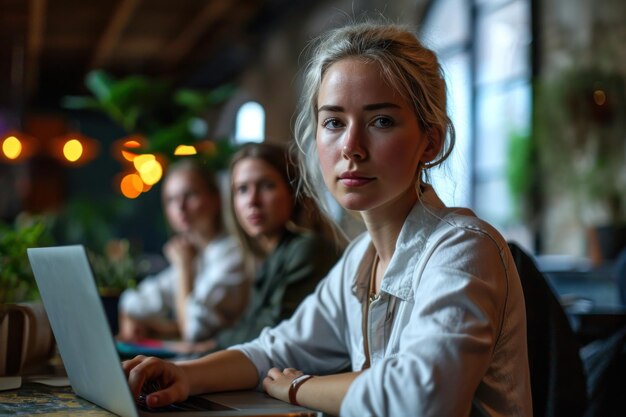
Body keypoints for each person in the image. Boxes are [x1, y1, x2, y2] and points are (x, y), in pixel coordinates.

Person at [123, 21, 532, 416]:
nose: (351, 147)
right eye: (334, 122)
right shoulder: (360, 260)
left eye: (381, 121)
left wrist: (299, 386)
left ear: (431, 140)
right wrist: (184, 375)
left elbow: (420, 399)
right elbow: (276, 349)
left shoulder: (464, 249)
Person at [214, 142, 344, 349]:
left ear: (293, 192)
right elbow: (248, 327)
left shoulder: (308, 249)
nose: (252, 201)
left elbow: (269, 334)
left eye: (267, 185)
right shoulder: (271, 255)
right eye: (242, 189)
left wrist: (211, 346)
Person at [117, 159, 248, 343]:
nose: (180, 207)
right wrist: (133, 318)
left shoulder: (232, 254)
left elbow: (193, 331)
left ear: (216, 199)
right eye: (171, 199)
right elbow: (133, 302)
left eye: (190, 195)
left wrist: (185, 267)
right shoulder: (196, 252)